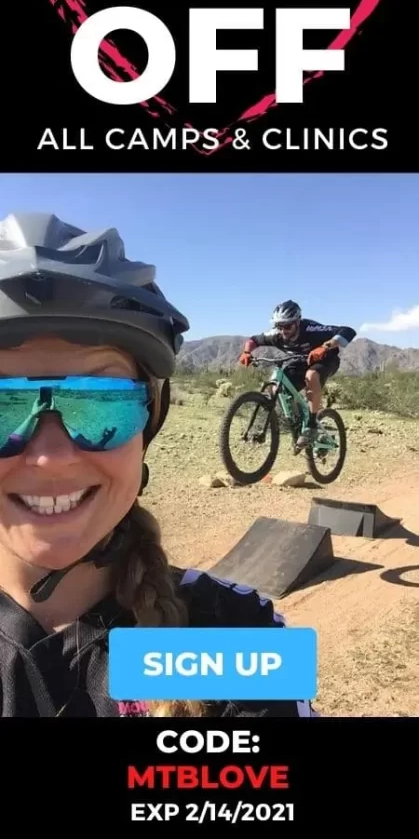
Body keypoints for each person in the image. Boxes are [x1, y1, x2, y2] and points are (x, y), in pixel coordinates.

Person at [0, 212, 319, 718]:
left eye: (101, 404)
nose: (50, 458)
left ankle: (312, 423)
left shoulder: (234, 637)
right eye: (3, 407)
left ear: (149, 424)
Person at [239, 300, 356, 448]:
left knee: (311, 376)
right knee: (276, 388)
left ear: (297, 322)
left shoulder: (311, 329)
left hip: (326, 360)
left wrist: (325, 347)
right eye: (279, 326)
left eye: (287, 326)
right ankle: (298, 420)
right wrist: (246, 352)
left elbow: (348, 331)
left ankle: (311, 425)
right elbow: (253, 340)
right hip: (300, 362)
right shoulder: (276, 334)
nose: (283, 331)